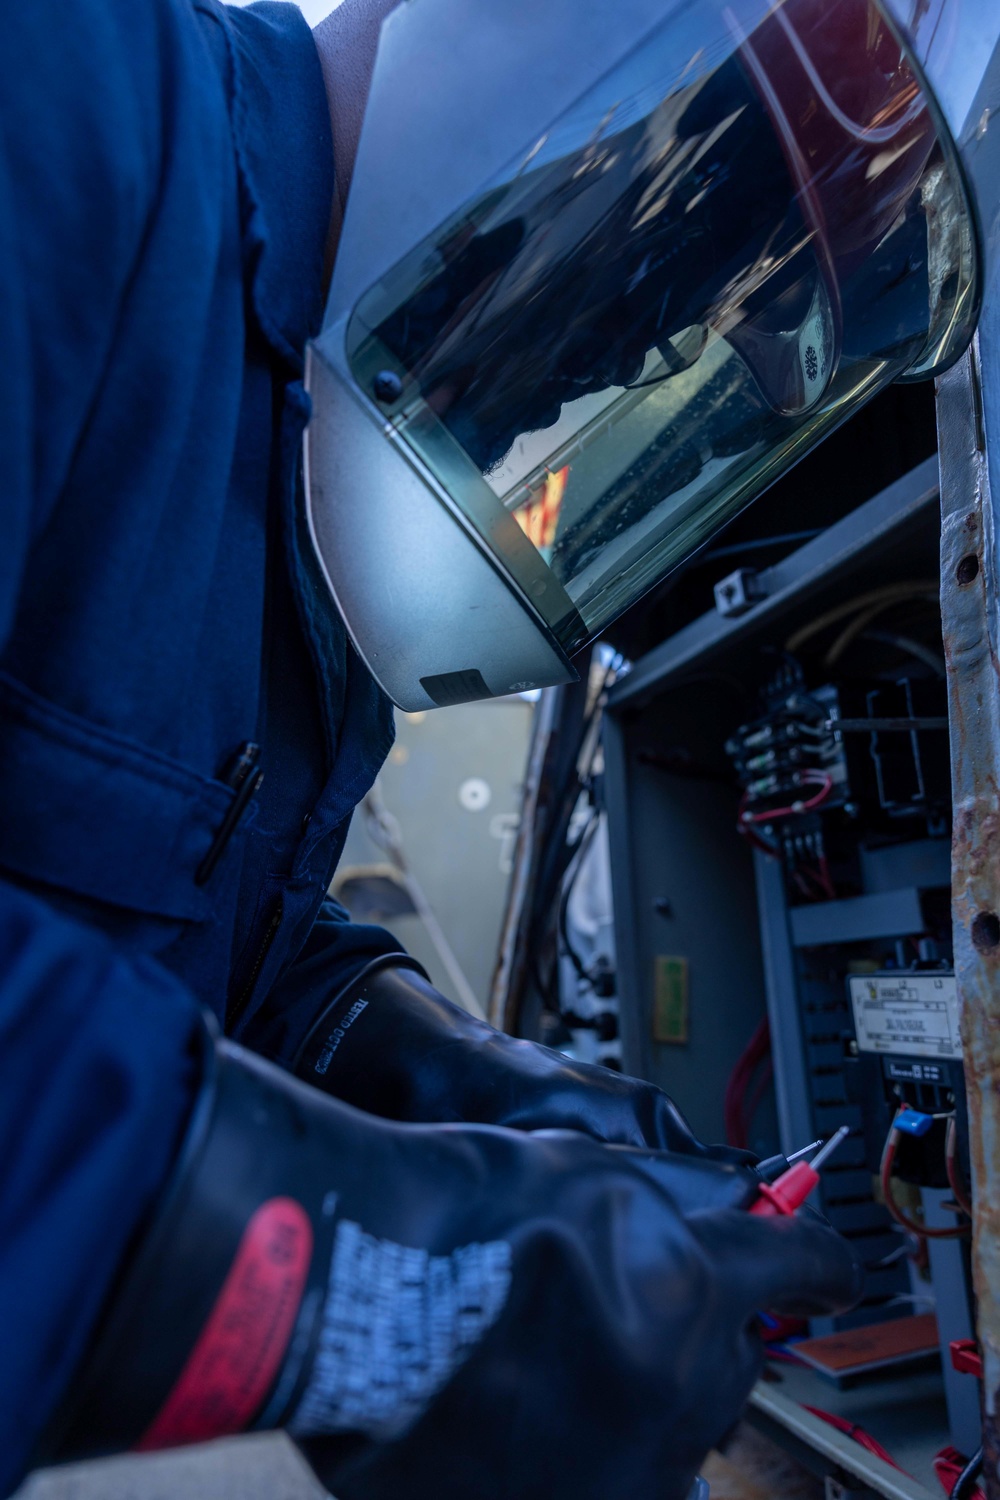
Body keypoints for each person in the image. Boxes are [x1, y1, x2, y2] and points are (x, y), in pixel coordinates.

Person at [8, 0, 950, 1493]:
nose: (657, 338)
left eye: (739, 316)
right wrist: (374, 1284)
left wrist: (431, 1071)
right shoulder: (63, 93)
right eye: (694, 206)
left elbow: (178, 911)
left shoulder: (292, 530)